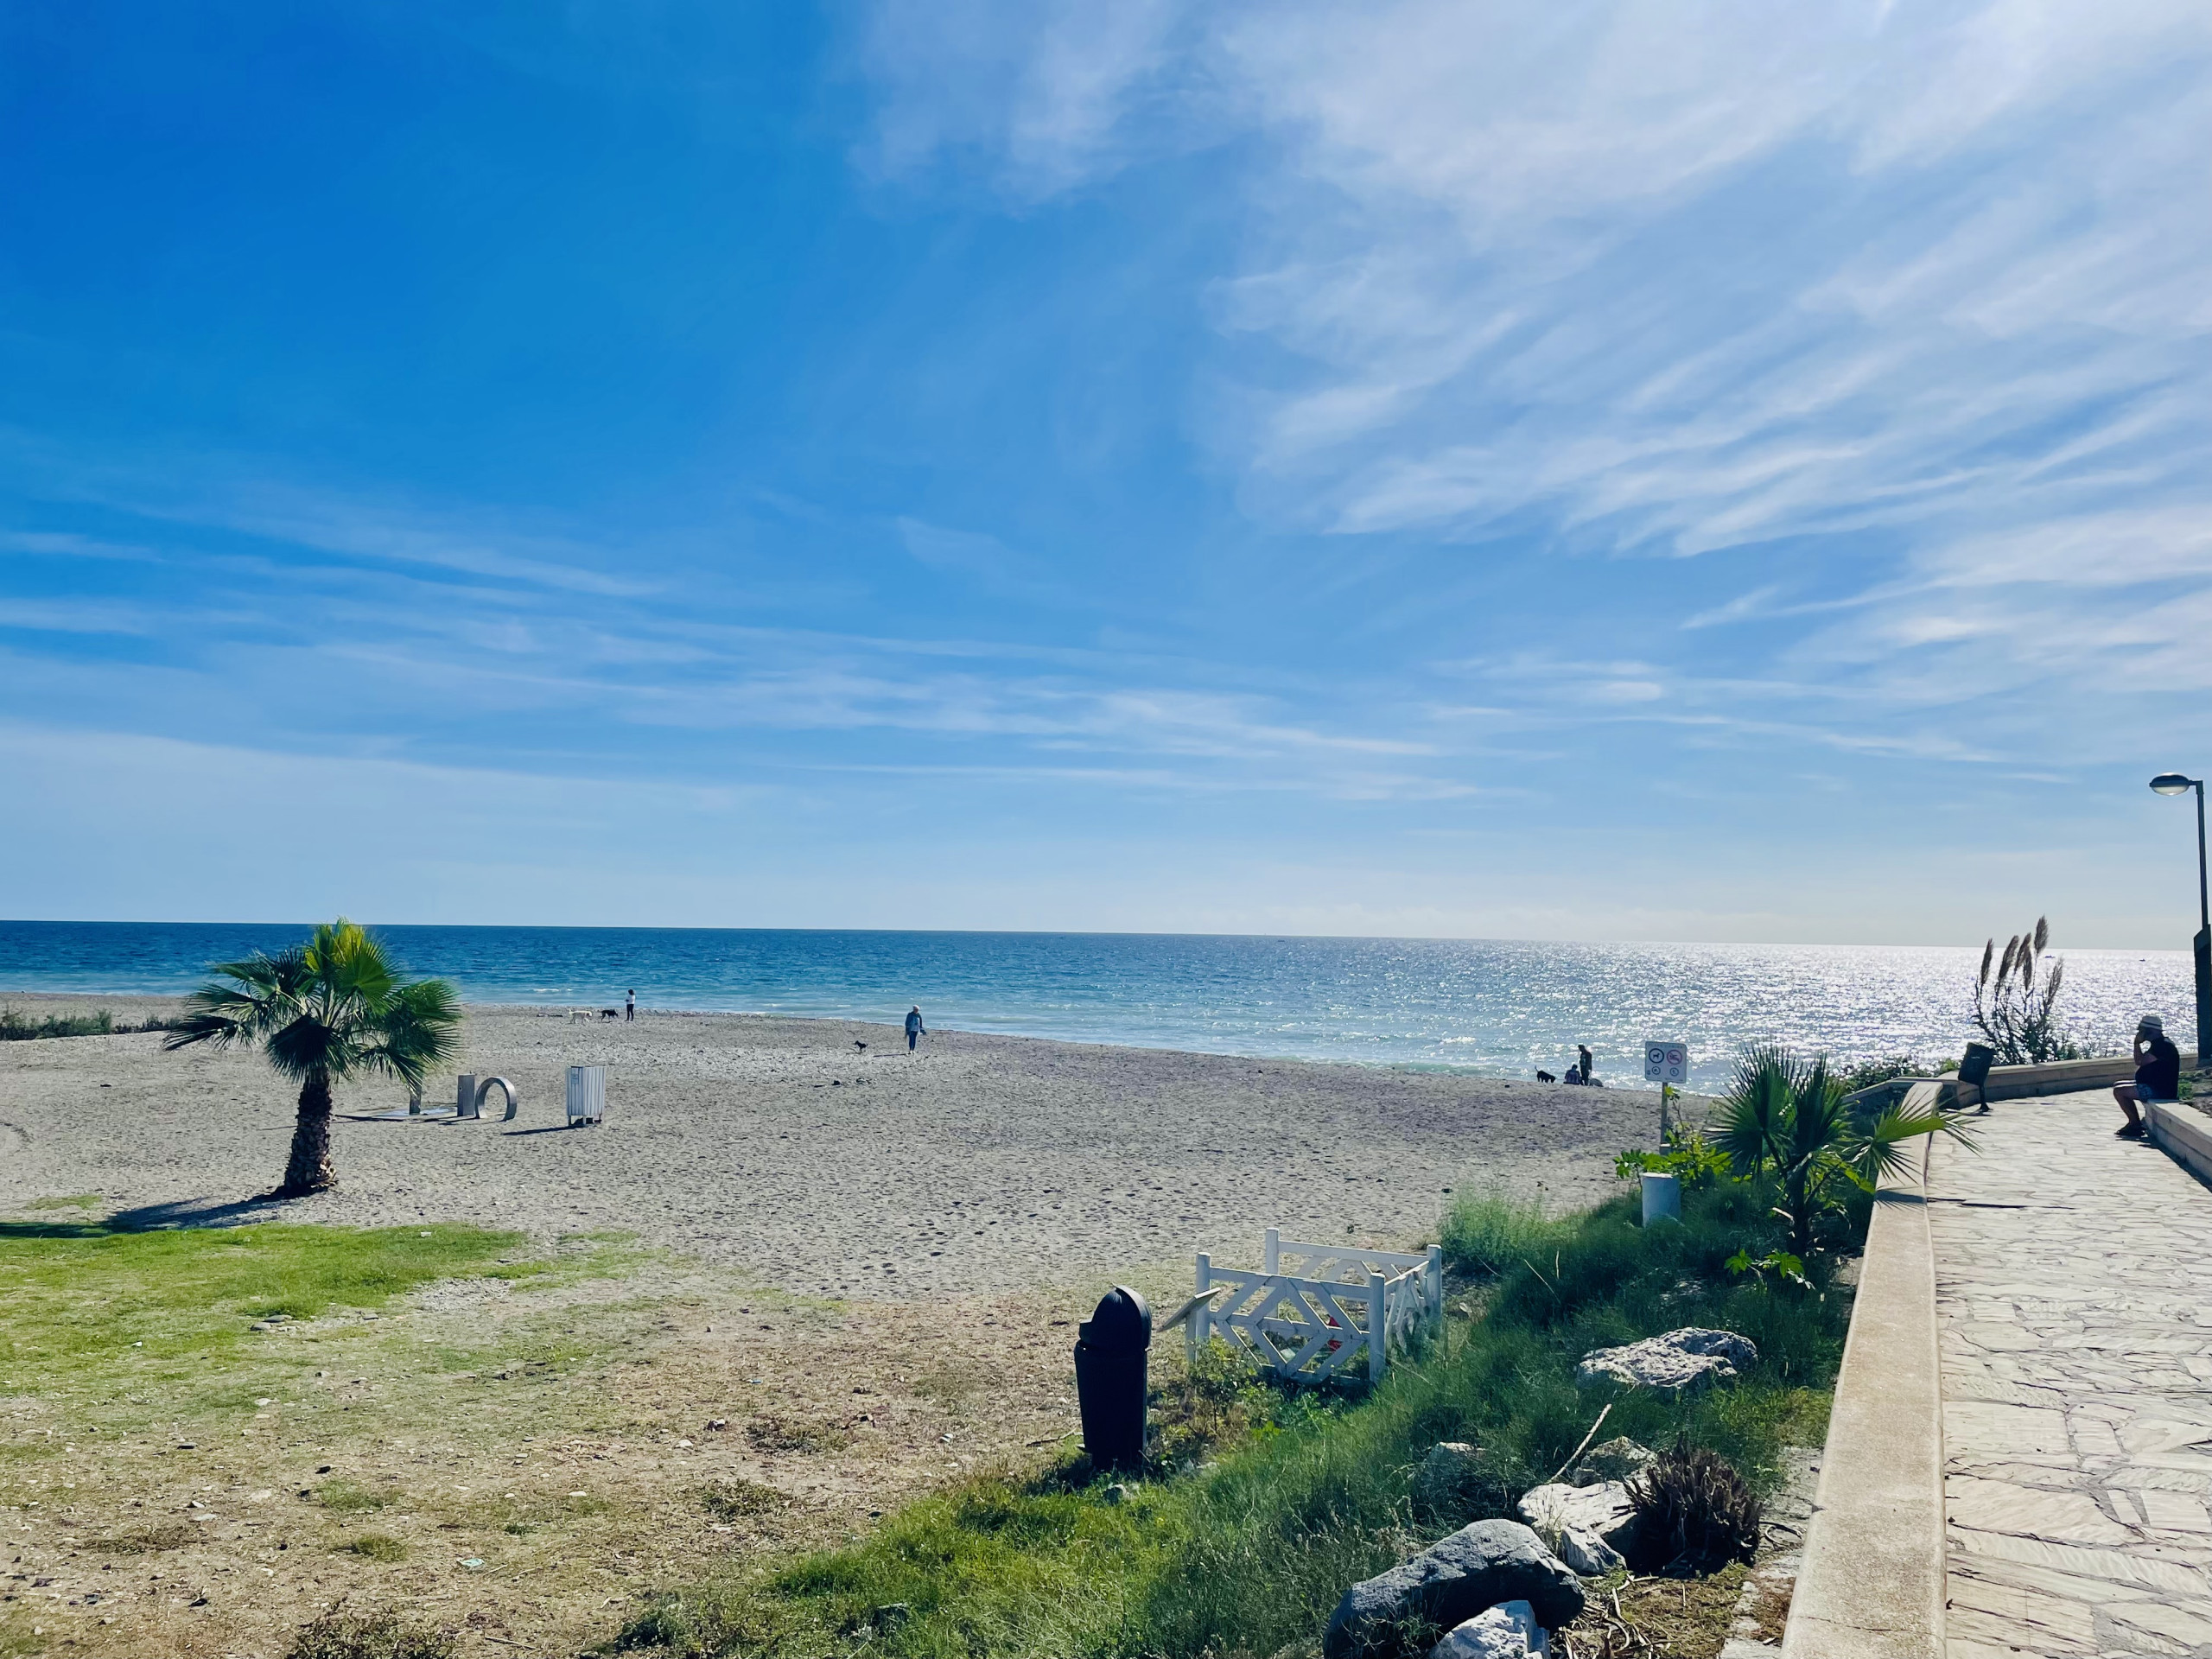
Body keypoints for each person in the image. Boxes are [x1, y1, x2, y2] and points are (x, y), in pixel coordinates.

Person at [2115, 1014, 2181, 1138]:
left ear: (2150, 1031)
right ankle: (2134, 1122)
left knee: (2119, 1091)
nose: (2140, 1033)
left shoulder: (2162, 1046)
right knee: (2118, 1085)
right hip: (2155, 1086)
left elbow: (2140, 1061)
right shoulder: (2160, 1044)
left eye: (2142, 1030)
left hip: (2160, 1090)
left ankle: (2135, 1124)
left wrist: (2136, 1044)